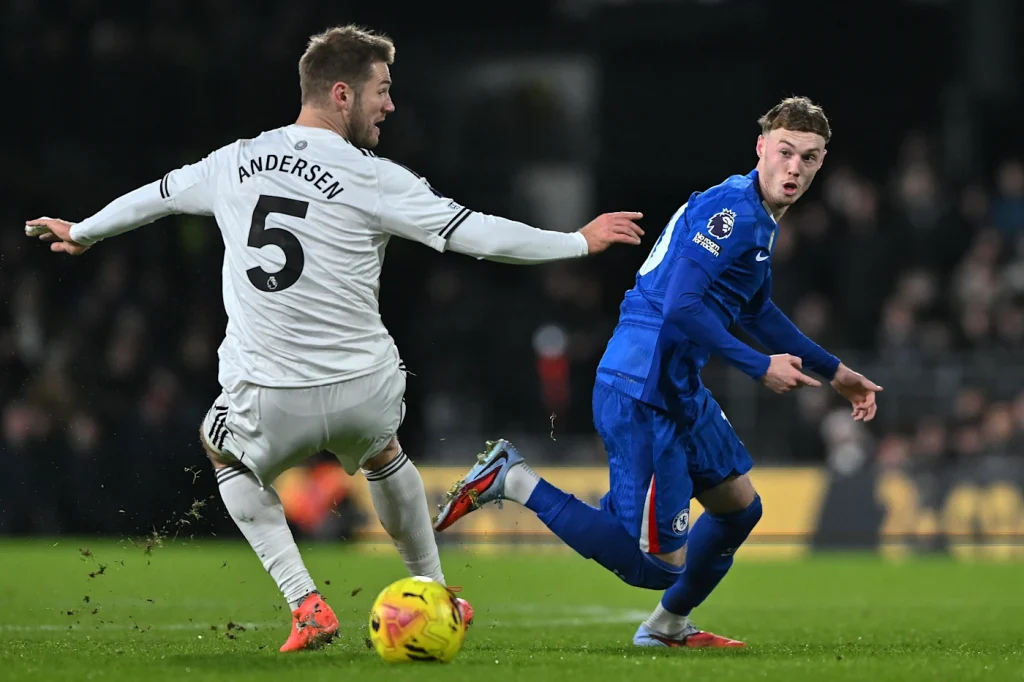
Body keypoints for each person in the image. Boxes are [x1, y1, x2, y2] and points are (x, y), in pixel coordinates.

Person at [25, 25, 644, 653]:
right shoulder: (374, 177)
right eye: (383, 90)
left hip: (269, 395)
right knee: (383, 453)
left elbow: (156, 197)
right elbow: (473, 234)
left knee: (222, 453)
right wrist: (575, 241)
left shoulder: (234, 160)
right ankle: (435, 591)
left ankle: (305, 604)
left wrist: (86, 230)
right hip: (364, 390)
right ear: (342, 93)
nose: (391, 105)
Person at [432, 96, 882, 648]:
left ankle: (667, 628)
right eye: (785, 152)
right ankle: (513, 478)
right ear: (761, 148)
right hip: (640, 387)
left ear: (820, 162)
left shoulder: (758, 220)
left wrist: (835, 372)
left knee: (740, 509)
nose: (794, 168)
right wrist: (758, 365)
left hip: (677, 385)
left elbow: (756, 309)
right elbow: (681, 306)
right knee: (655, 567)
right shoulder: (731, 214)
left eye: (809, 158)